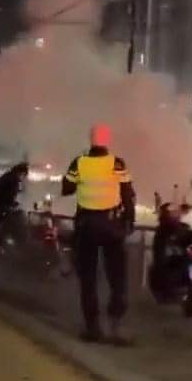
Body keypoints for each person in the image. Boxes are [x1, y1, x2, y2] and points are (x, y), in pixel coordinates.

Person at [61, 124, 136, 344]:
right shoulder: (117, 163)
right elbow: (128, 195)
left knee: (88, 279)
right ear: (107, 140)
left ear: (90, 140)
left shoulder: (79, 163)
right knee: (118, 277)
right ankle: (116, 326)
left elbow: (67, 188)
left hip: (86, 227)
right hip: (112, 227)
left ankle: (93, 328)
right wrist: (129, 222)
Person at [0, 163, 29, 251]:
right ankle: (1, 246)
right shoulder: (13, 180)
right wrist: (13, 204)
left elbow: (4, 193)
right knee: (8, 224)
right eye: (24, 175)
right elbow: (9, 195)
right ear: (20, 173)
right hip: (0, 206)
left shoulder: (7, 176)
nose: (23, 178)